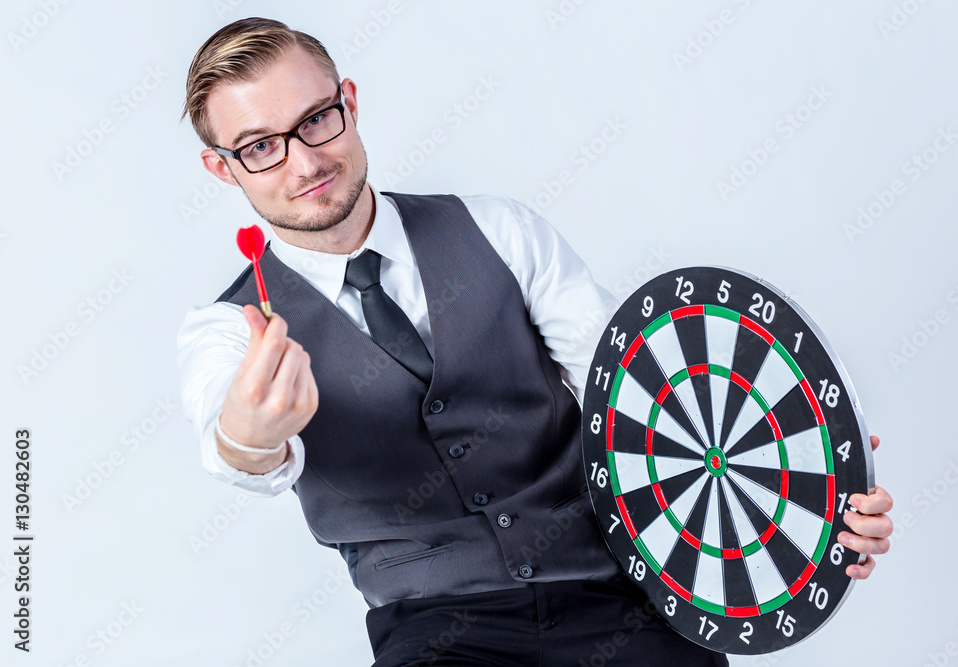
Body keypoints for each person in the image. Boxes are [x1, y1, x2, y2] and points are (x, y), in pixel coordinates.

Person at [176, 17, 893, 666]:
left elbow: (638, 390)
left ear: (351, 102)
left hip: (620, 597)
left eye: (318, 120)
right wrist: (250, 430)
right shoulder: (227, 328)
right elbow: (233, 446)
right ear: (221, 166)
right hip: (437, 631)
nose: (305, 162)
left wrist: (810, 489)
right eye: (261, 146)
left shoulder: (500, 231)